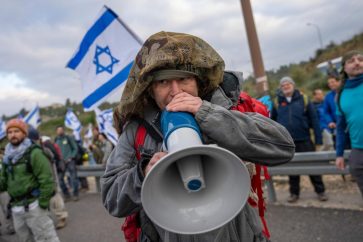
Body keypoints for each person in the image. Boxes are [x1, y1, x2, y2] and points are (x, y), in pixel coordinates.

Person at [101, 31, 295, 241]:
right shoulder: (135, 130)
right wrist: (143, 173)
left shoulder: (227, 108)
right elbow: (112, 198)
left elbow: (283, 147)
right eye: (164, 83)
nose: (176, 91)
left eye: (184, 79)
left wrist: (208, 115)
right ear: (151, 90)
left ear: (198, 82)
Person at [0, 119, 60, 242]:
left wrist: (42, 204)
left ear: (24, 133)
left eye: (17, 131)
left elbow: (47, 180)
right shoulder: (7, 157)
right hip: (16, 208)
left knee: (46, 239)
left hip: (34, 206)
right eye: (10, 132)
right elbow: (3, 182)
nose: (13, 134)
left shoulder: (34, 153)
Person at [272, 76, 328, 203]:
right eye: (283, 85)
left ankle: (321, 191)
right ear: (281, 88)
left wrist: (318, 140)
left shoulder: (304, 99)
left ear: (293, 85)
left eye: (288, 84)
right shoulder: (277, 102)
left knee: (313, 167)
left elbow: (314, 120)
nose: (286, 86)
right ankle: (294, 193)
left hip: (305, 139)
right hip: (287, 142)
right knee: (292, 169)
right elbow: (273, 124)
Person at [335, 50, 363, 198]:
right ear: (344, 68)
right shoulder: (341, 95)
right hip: (358, 152)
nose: (357, 62)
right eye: (351, 61)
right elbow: (340, 128)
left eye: (360, 59)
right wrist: (339, 154)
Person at [54, 126, 79, 201]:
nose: (60, 131)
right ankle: (66, 194)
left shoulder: (68, 138)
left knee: (73, 177)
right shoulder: (56, 140)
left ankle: (75, 194)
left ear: (63, 130)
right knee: (60, 179)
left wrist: (71, 157)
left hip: (70, 161)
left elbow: (75, 148)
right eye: (58, 130)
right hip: (61, 162)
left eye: (61, 130)